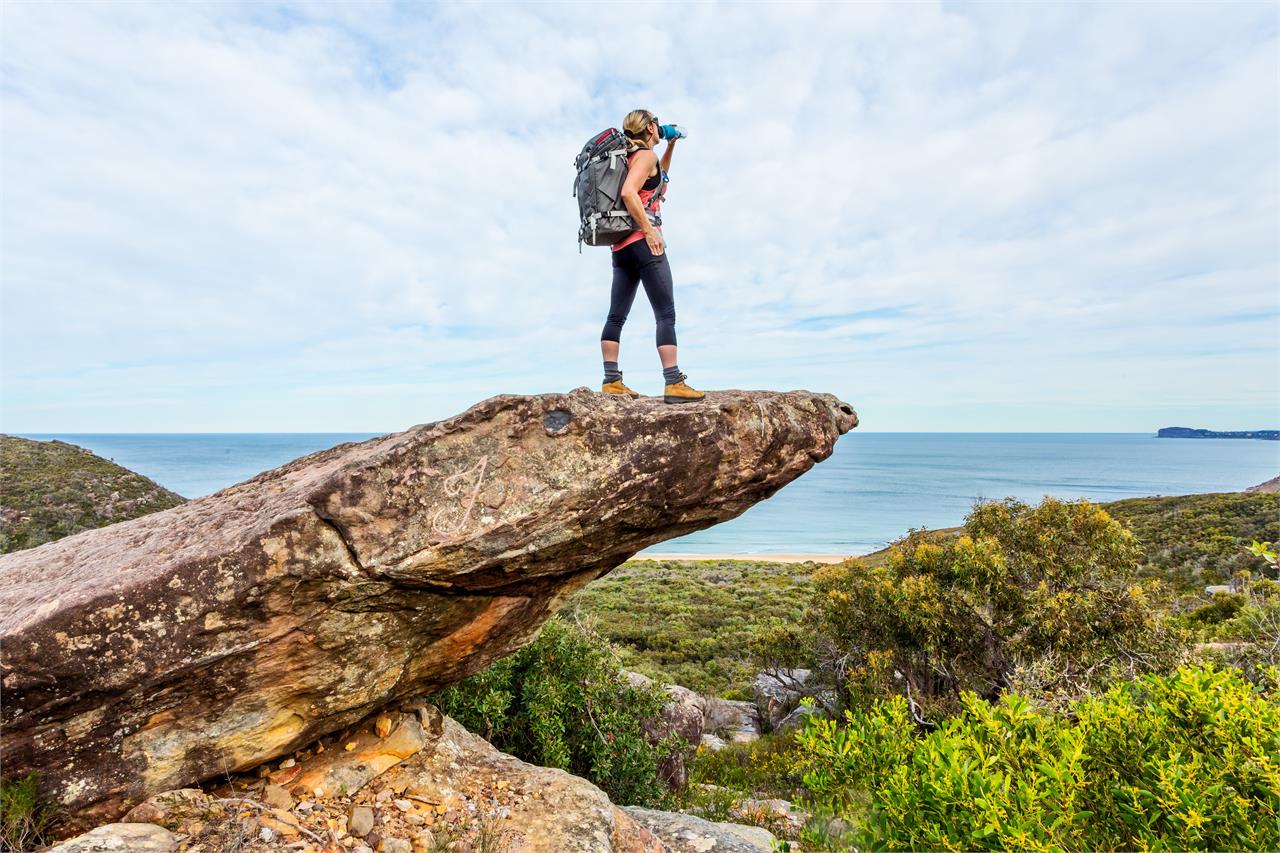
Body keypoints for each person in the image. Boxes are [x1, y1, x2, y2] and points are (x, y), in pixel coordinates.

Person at [600, 109, 705, 404]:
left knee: (616, 315)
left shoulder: (633, 158)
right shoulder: (644, 157)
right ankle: (673, 382)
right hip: (643, 243)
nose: (661, 128)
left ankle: (612, 381)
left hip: (621, 247)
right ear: (649, 127)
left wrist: (671, 144)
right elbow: (629, 192)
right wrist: (649, 231)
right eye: (658, 126)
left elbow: (657, 180)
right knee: (666, 314)